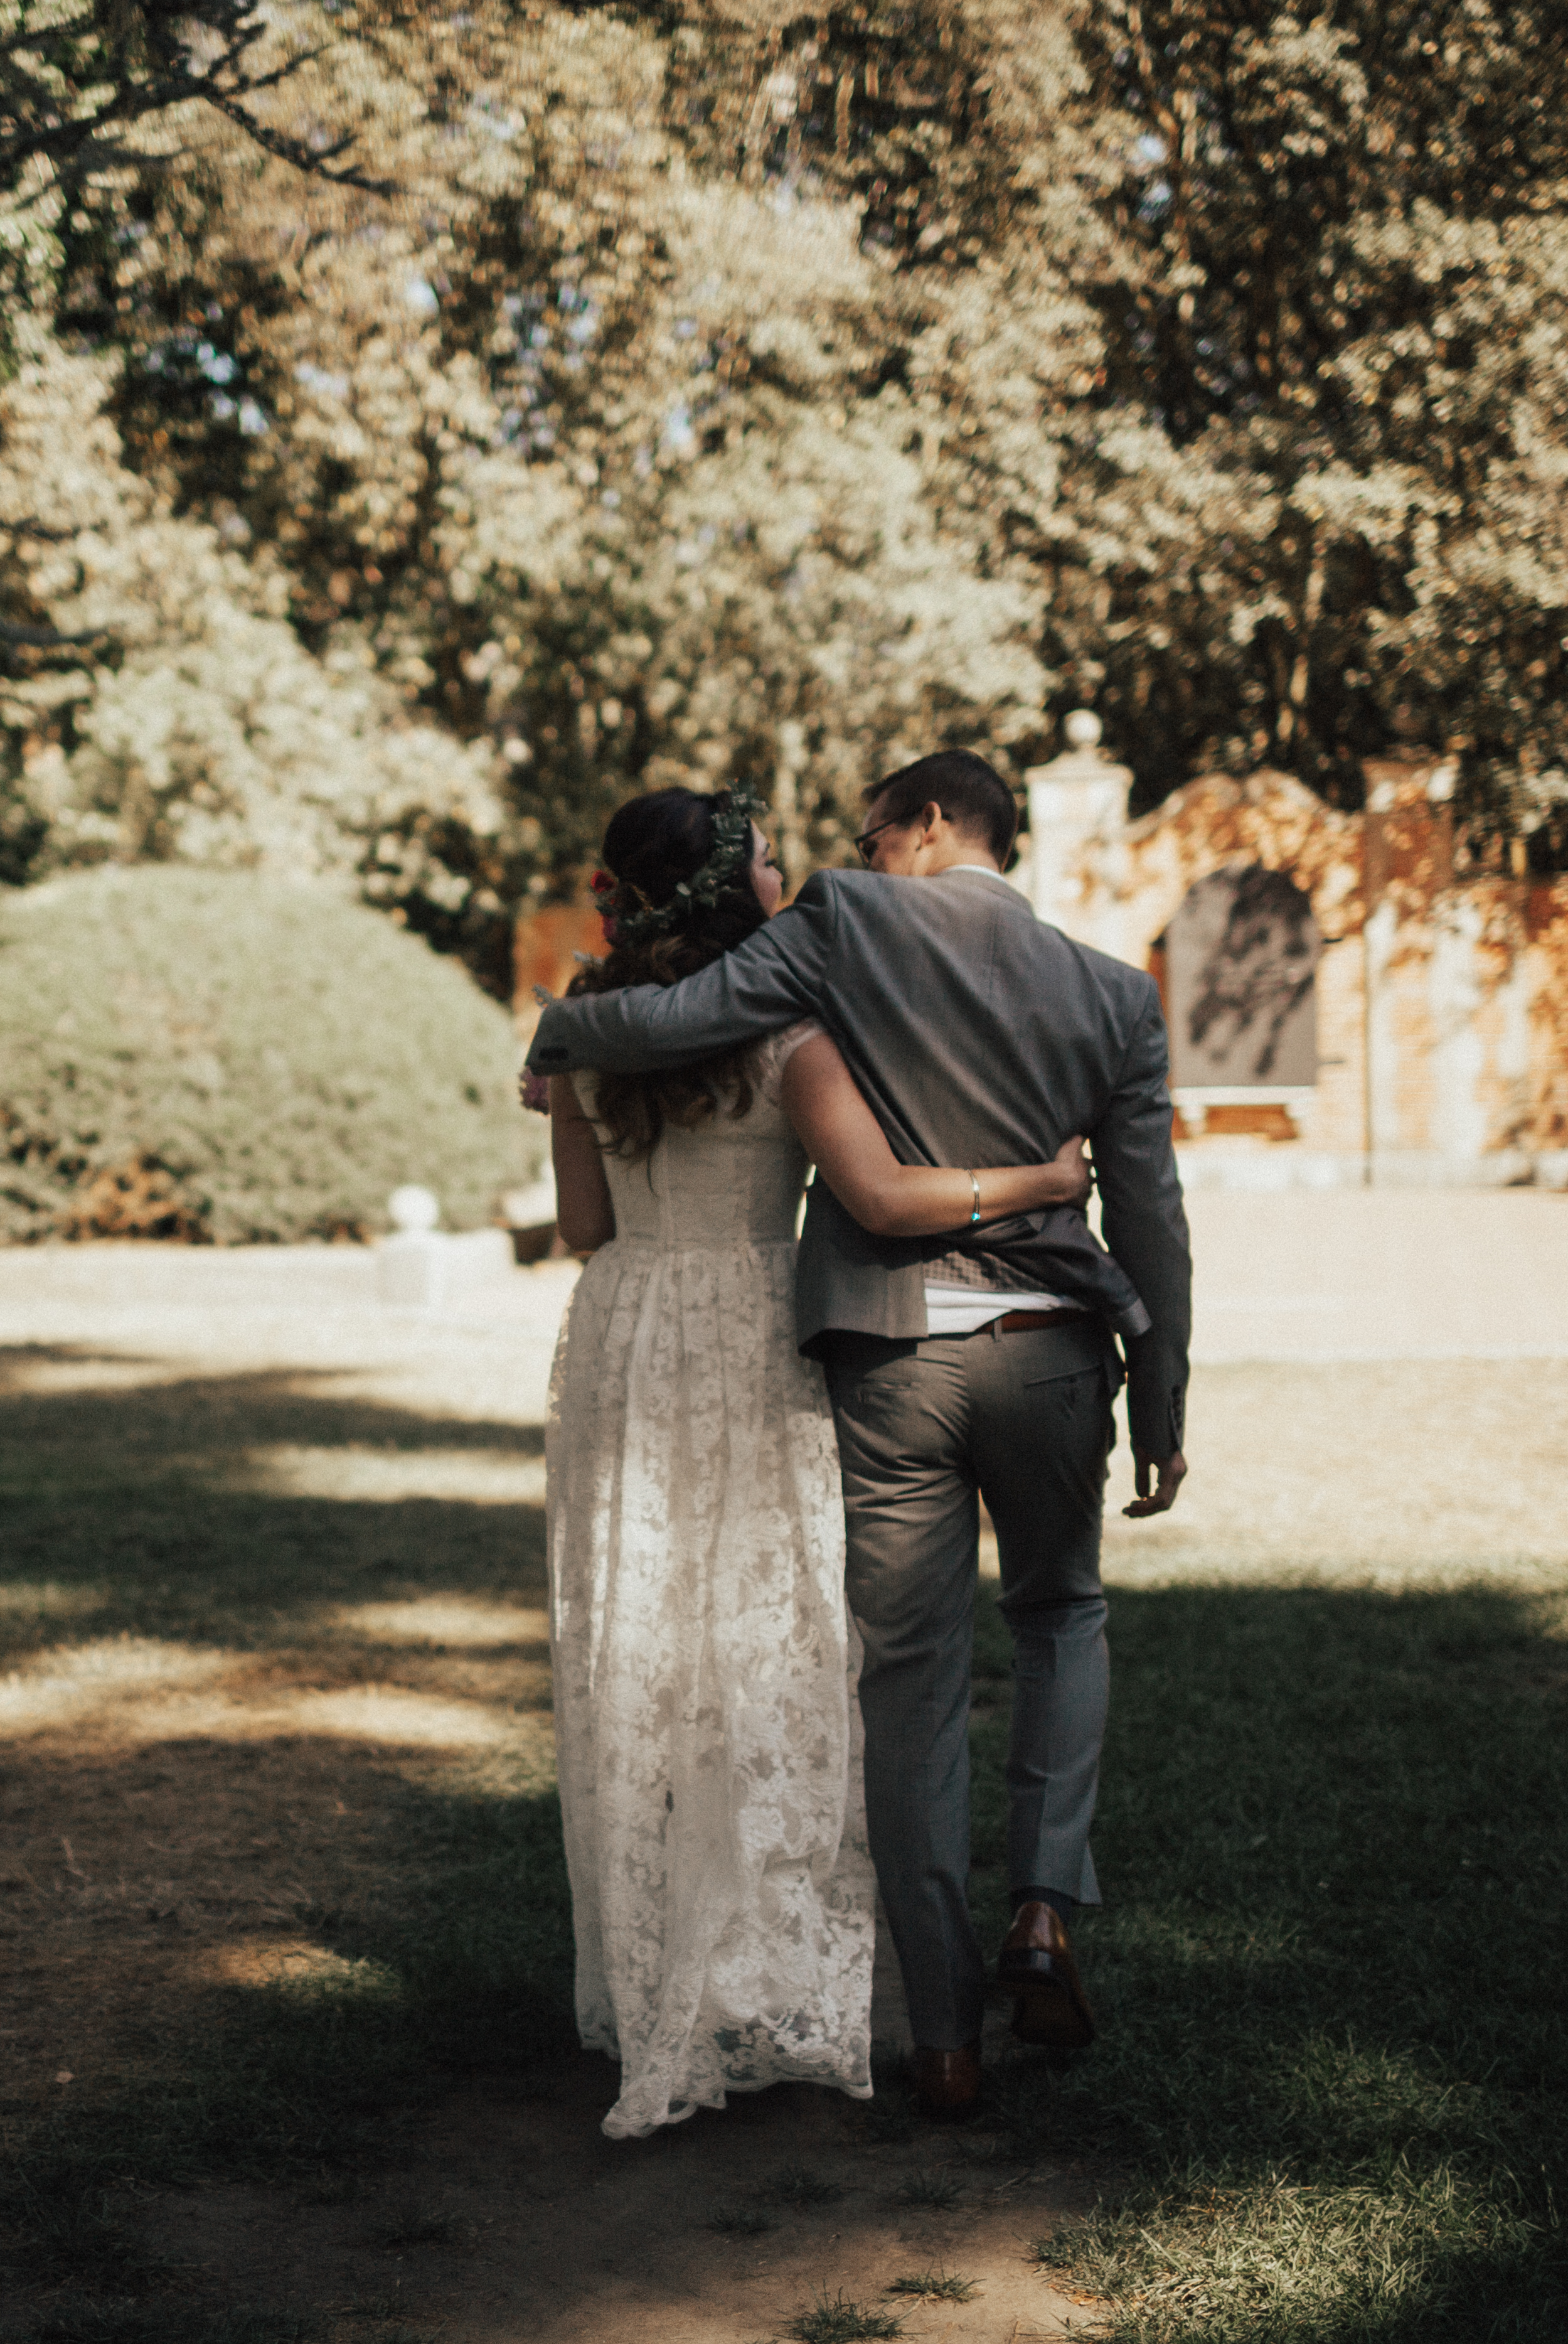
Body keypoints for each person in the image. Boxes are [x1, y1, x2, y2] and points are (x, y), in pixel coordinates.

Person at [526, 751, 1193, 2122]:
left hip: (889, 1349)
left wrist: (562, 1031)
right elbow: (1152, 1215)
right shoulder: (1116, 993)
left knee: (908, 1683)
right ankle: (1044, 1905)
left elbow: (674, 1024)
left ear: (927, 823)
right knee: (1063, 1613)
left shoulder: (840, 923)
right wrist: (1163, 1397)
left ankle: (942, 2032)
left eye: (871, 829)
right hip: (1055, 1352)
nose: (855, 852)